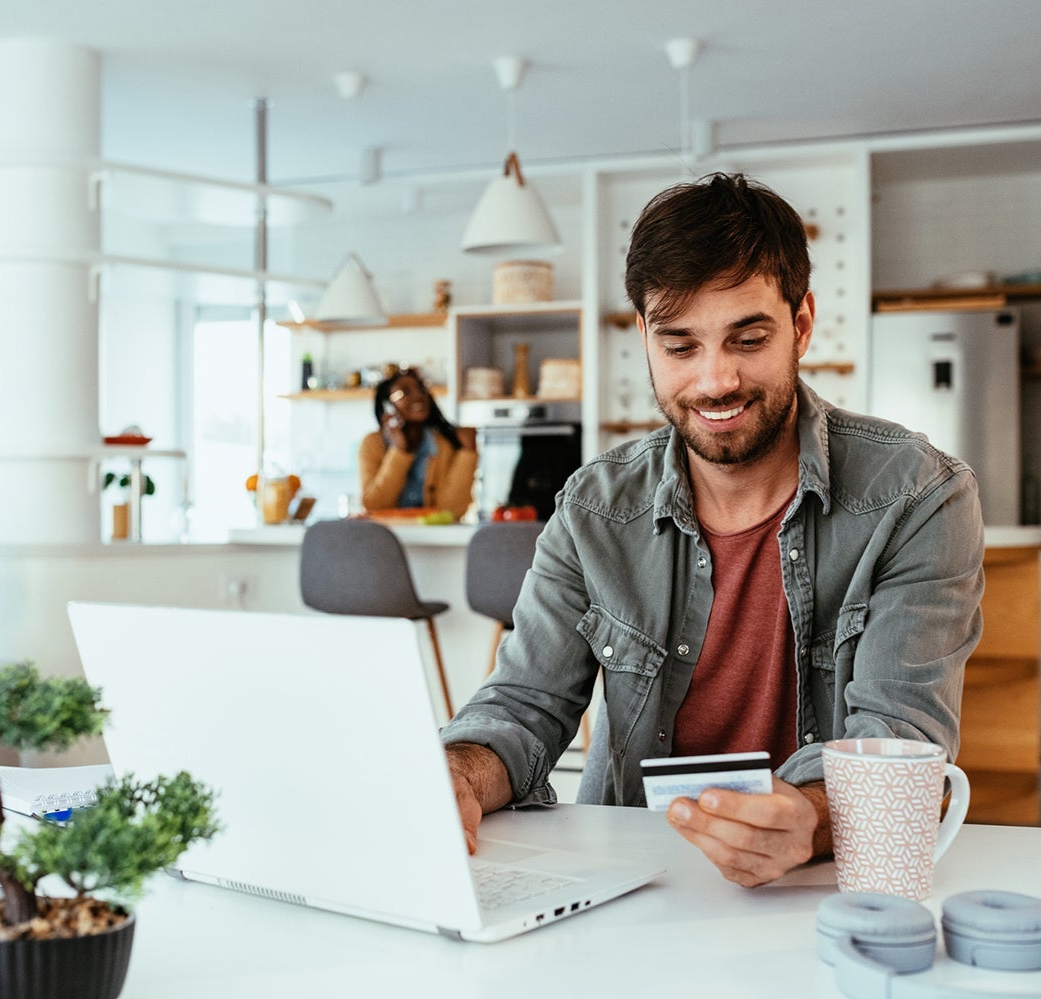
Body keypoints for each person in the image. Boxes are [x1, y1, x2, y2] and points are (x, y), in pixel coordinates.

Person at [439, 172, 984, 887]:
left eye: (747, 338)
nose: (715, 380)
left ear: (801, 323)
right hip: (626, 882)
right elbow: (521, 707)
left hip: (817, 887)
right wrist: (456, 775)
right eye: (680, 346)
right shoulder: (592, 508)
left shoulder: (917, 496)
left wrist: (811, 818)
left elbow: (900, 741)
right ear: (644, 338)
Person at [358, 367, 478, 518]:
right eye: (404, 392)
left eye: (421, 389)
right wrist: (399, 450)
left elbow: (451, 512)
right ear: (388, 406)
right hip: (386, 531)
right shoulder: (372, 444)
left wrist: (468, 453)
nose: (418, 396)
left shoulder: (445, 444)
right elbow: (374, 505)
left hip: (432, 531)